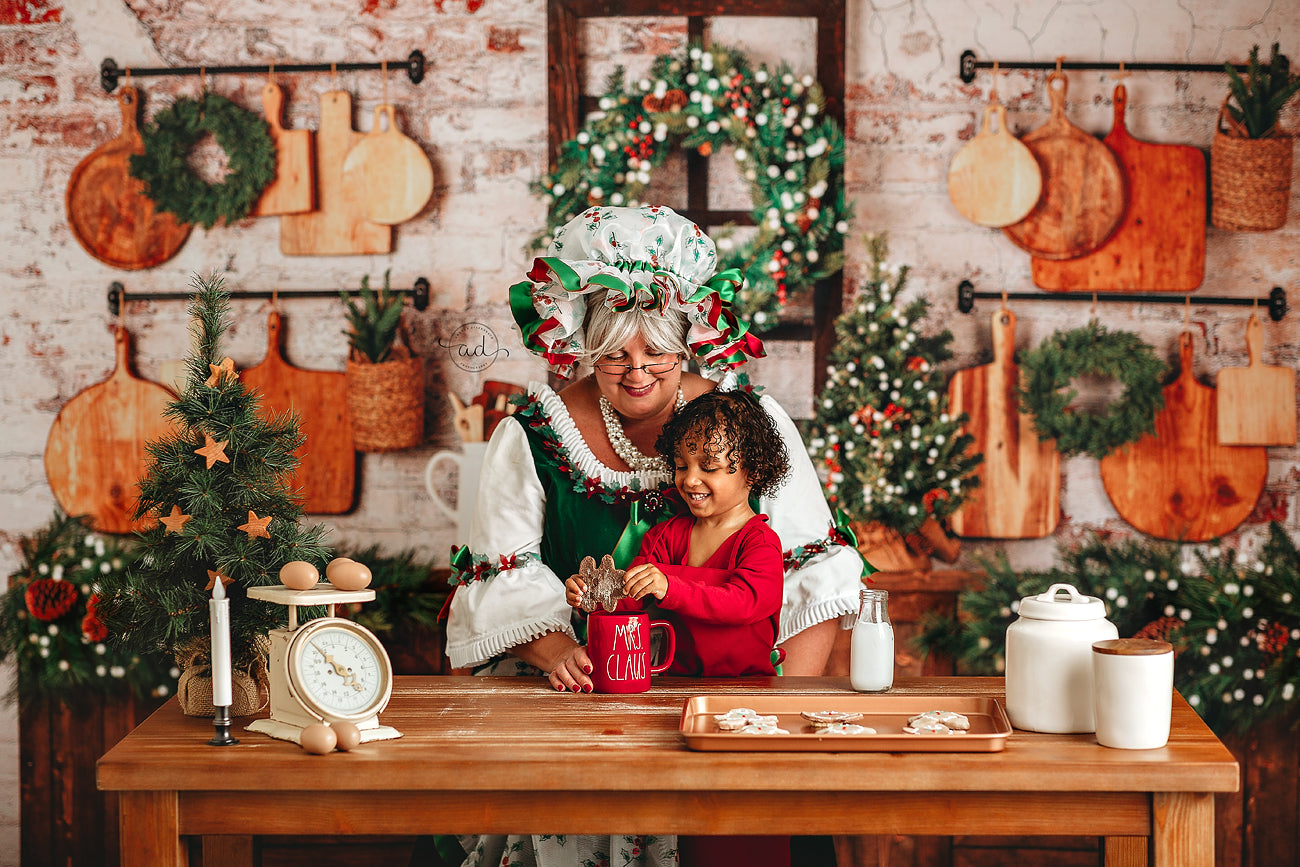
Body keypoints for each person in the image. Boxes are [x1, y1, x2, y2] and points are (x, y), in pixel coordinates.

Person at [441, 205, 867, 867]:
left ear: (685, 339)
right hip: (582, 711)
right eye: (613, 354)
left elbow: (813, 571)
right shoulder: (531, 435)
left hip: (726, 708)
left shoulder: (747, 423)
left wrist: (771, 721)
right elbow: (506, 576)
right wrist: (559, 650)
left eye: (656, 352)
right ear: (583, 341)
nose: (637, 371)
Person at [565, 390, 790, 678]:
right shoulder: (665, 536)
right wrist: (593, 595)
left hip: (747, 689)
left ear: (753, 472)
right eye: (682, 466)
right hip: (674, 685)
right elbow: (630, 596)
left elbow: (743, 604)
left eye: (708, 467)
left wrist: (670, 588)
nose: (690, 479)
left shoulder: (760, 542)